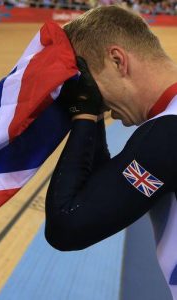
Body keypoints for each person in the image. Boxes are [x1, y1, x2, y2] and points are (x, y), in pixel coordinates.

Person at [44, 5, 177, 295]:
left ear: (118, 61)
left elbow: (66, 226)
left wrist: (84, 113)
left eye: (90, 82)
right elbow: (105, 186)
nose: (102, 106)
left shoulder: (168, 134)